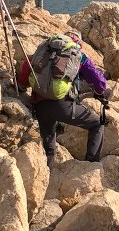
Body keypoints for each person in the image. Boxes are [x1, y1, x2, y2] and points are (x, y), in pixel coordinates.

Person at [17, 30, 108, 167]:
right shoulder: (78, 55)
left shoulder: (46, 49)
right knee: (97, 124)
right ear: (78, 43)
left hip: (39, 104)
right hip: (62, 106)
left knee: (49, 145)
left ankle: (49, 171)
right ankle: (91, 164)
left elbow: (27, 65)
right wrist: (99, 92)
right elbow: (100, 82)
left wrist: (21, 86)